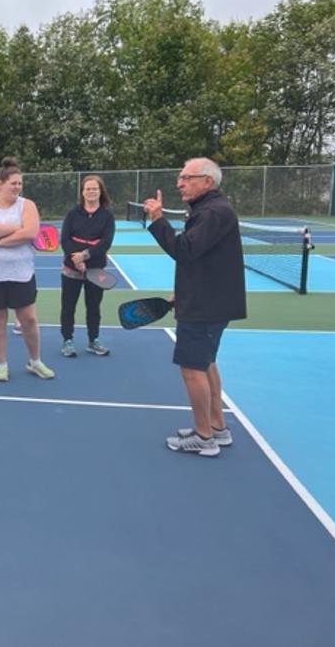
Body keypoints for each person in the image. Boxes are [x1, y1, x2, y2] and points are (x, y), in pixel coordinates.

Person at [144, 157, 246, 457]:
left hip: (204, 307)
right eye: (180, 177)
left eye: (187, 177)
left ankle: (204, 437)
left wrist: (158, 220)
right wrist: (182, 291)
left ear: (207, 182)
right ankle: (216, 427)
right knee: (207, 363)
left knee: (192, 369)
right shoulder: (210, 210)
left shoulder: (213, 212)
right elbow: (203, 261)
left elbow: (184, 251)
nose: (180, 183)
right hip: (207, 299)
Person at [0, 157, 55, 382]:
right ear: (0, 184)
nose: (17, 187)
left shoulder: (27, 205)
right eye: (13, 183)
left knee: (28, 319)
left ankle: (35, 361)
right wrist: (16, 228)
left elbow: (30, 234)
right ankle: (1, 365)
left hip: (21, 272)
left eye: (20, 183)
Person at [59, 175, 116, 357]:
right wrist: (76, 259)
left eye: (95, 189)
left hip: (95, 270)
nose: (91, 191)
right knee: (68, 307)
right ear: (82, 192)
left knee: (94, 307)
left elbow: (105, 243)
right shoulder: (72, 214)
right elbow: (65, 239)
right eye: (88, 189)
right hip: (71, 269)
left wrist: (85, 256)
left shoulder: (107, 216)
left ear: (101, 192)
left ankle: (93, 340)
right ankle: (67, 341)